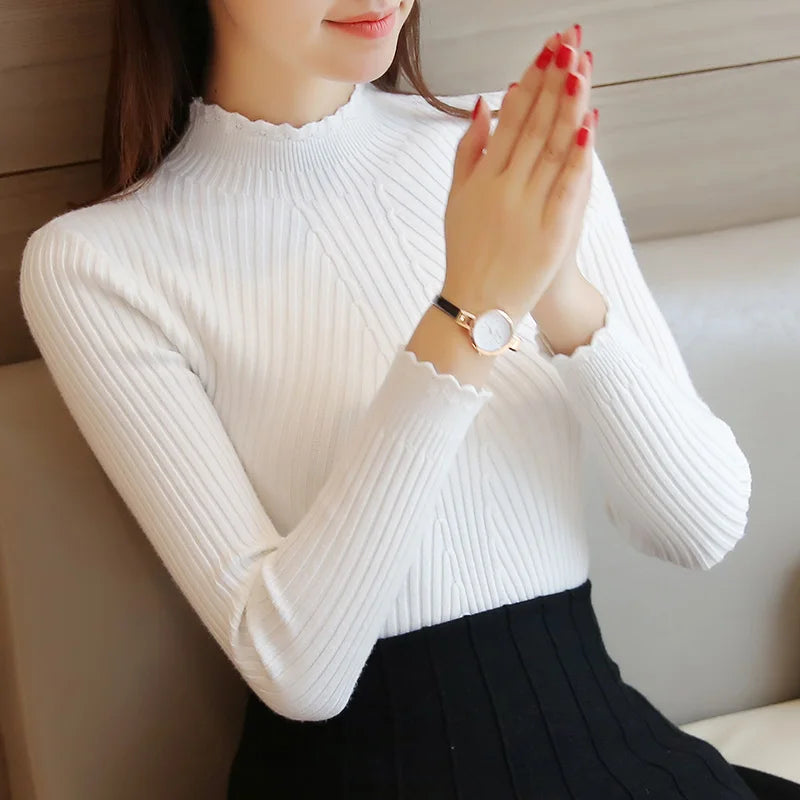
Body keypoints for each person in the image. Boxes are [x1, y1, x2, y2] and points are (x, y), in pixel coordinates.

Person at [18, 0, 799, 797]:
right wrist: (472, 307)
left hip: (611, 751)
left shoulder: (509, 162)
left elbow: (700, 526)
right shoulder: (97, 264)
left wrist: (556, 285)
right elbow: (298, 671)